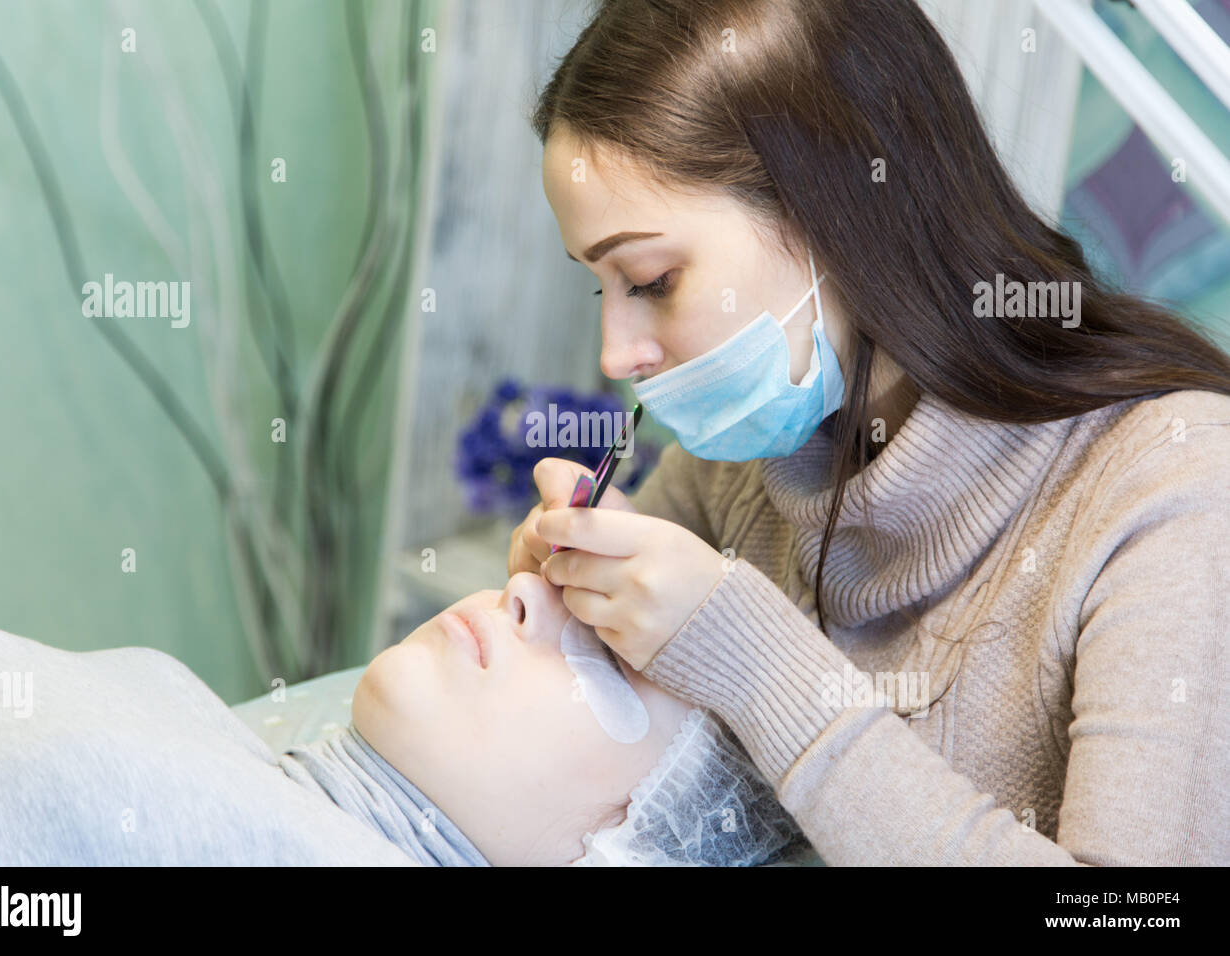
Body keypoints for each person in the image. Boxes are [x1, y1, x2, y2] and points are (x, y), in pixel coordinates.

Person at [509, 0, 1230, 865]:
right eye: (601, 286)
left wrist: (759, 666)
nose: (615, 355)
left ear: (842, 215)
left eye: (653, 279)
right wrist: (574, 610)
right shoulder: (738, 470)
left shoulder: (1176, 490)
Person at [0, 570, 799, 866]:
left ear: (627, 844)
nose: (526, 588)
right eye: (567, 585)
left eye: (607, 656)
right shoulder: (219, 739)